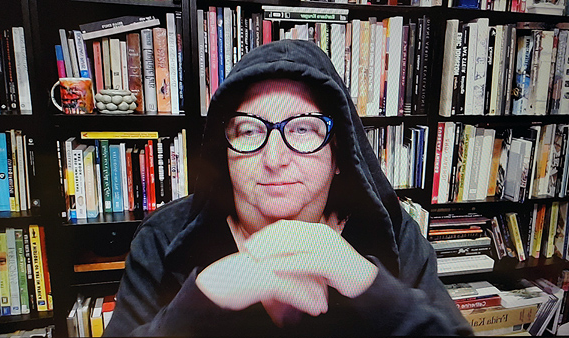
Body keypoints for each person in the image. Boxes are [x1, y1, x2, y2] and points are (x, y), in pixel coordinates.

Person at [104, 39, 473, 336]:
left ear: (339, 155)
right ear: (225, 152)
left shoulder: (392, 231)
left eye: (303, 129)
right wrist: (202, 301)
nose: (275, 159)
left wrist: (362, 281)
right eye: (249, 131)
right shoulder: (162, 238)